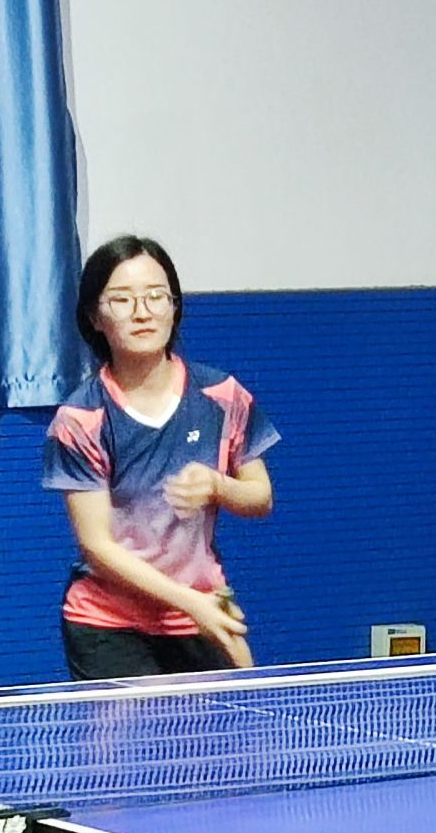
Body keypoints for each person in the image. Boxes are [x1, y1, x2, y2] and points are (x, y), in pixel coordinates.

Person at [44, 234, 279, 678]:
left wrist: (218, 485)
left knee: (239, 719)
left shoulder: (222, 396)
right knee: (129, 728)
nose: (142, 312)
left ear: (174, 307)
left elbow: (261, 496)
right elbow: (97, 545)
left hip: (203, 607)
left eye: (156, 296)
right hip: (109, 623)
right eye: (122, 299)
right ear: (95, 317)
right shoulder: (82, 419)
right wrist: (191, 603)